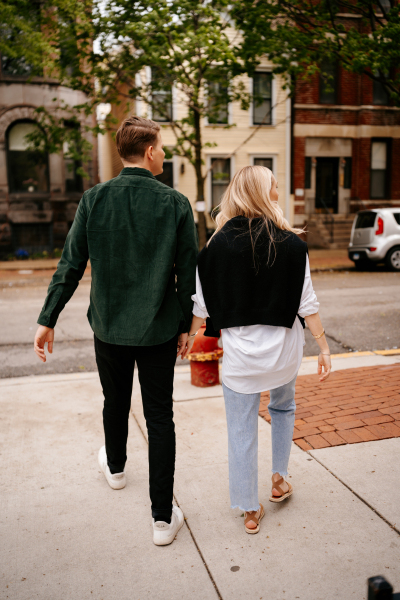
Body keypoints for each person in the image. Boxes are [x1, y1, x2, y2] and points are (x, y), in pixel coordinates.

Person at [34, 116, 198, 546]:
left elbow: (70, 264)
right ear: (148, 151)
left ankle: (117, 469)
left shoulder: (94, 199)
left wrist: (47, 318)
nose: (164, 153)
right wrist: (185, 326)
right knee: (160, 417)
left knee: (115, 399)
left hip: (108, 328)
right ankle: (163, 519)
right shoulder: (176, 204)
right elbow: (188, 273)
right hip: (160, 330)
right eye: (161, 147)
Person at [184, 165, 331, 534]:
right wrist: (324, 347)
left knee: (241, 429)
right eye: (275, 188)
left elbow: (200, 308)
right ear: (263, 194)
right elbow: (307, 303)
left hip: (241, 362)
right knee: (283, 408)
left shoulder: (213, 248)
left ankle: (250, 509)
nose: (279, 193)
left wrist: (187, 337)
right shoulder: (294, 245)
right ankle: (279, 479)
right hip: (284, 356)